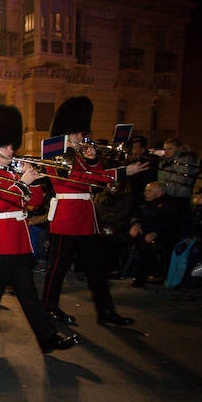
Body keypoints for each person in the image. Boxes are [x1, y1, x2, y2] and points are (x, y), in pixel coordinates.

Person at [0, 105, 79, 354]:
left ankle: (47, 338)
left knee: (28, 292)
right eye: (7, 146)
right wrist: (22, 182)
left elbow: (36, 201)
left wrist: (32, 177)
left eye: (11, 145)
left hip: (18, 238)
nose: (12, 150)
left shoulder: (13, 172)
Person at [41, 96, 147, 327]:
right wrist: (122, 172)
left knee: (97, 268)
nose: (82, 137)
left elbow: (95, 179)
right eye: (78, 133)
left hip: (86, 217)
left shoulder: (80, 153)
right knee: (58, 268)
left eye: (82, 132)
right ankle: (48, 307)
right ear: (67, 133)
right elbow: (80, 181)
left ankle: (106, 311)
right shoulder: (54, 153)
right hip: (67, 218)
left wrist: (92, 160)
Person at [127, 181, 186, 287]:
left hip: (164, 235)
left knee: (146, 245)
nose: (145, 193)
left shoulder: (170, 205)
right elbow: (135, 215)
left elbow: (167, 223)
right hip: (143, 232)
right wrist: (135, 224)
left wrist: (155, 233)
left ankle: (142, 276)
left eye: (149, 191)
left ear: (159, 193)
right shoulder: (144, 203)